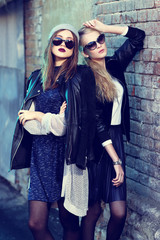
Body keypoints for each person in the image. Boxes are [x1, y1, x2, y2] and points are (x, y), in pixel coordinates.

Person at [10, 24, 95, 240]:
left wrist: (39, 116)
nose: (63, 44)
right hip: (41, 156)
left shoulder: (80, 76)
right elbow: (25, 122)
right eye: (58, 39)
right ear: (51, 43)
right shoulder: (36, 77)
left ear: (74, 48)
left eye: (69, 42)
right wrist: (54, 119)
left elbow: (69, 126)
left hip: (68, 156)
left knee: (69, 223)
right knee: (36, 223)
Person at [78, 19, 145, 240]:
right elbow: (97, 123)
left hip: (115, 138)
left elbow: (138, 36)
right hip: (96, 146)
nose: (98, 45)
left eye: (100, 39)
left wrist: (106, 28)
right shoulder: (85, 76)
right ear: (85, 53)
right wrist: (116, 161)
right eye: (91, 44)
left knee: (118, 212)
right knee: (93, 209)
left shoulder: (114, 64)